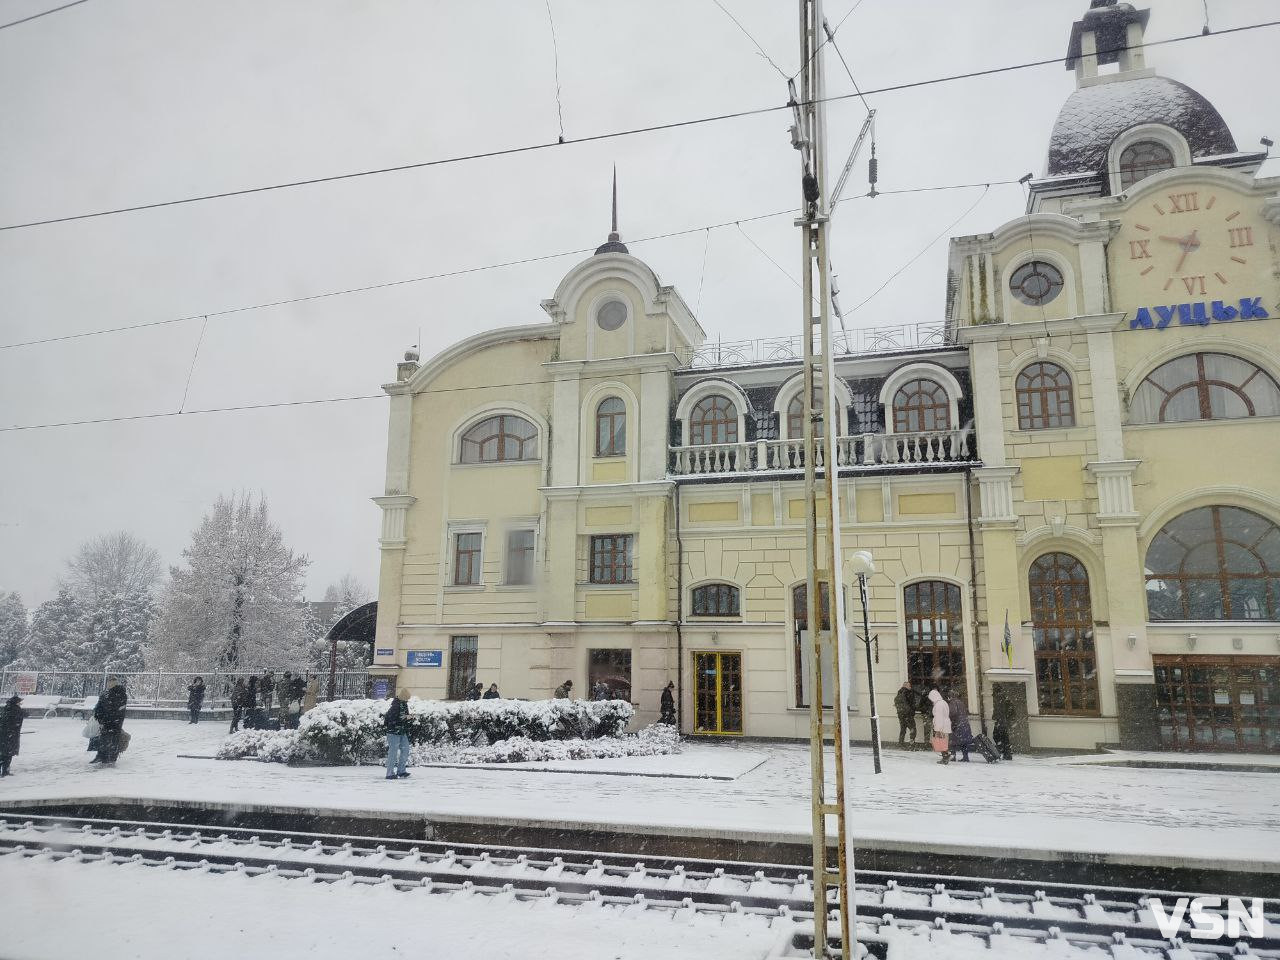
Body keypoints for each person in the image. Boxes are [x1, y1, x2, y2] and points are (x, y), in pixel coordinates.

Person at [92, 678, 128, 765]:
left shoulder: (120, 693)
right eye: (108, 682)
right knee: (103, 737)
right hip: (104, 719)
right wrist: (97, 713)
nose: (109, 684)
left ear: (115, 683)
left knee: (113, 738)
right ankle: (101, 755)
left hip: (115, 720)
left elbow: (119, 707)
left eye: (111, 682)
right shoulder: (105, 693)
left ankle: (111, 757)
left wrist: (110, 715)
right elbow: (100, 704)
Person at [383, 688, 412, 780]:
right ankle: (389, 773)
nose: (407, 700)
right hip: (393, 732)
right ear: (403, 697)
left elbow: (403, 717)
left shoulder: (404, 704)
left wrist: (408, 718)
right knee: (393, 752)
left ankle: (401, 770)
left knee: (406, 749)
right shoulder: (395, 706)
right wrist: (403, 719)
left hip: (402, 731)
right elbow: (390, 719)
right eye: (406, 698)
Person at [0, 694, 24, 776]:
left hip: (4, 735)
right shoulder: (16, 710)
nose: (21, 704)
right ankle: (5, 771)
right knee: (8, 754)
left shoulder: (6, 708)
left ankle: (4, 771)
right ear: (16, 702)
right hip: (11, 735)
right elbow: (17, 721)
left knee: (3, 754)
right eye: (20, 702)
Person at [947, 690, 973, 762]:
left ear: (950, 696)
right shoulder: (961, 702)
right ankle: (965, 757)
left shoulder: (952, 702)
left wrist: (948, 717)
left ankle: (953, 756)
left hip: (957, 724)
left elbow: (953, 713)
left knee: (952, 740)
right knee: (964, 741)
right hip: (964, 723)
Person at [927, 688, 951, 765]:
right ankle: (946, 755)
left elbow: (939, 718)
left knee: (941, 742)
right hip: (945, 725)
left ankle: (945, 757)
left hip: (941, 726)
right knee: (943, 742)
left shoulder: (938, 705)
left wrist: (938, 729)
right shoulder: (943, 702)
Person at [893, 680, 917, 747]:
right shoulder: (909, 693)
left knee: (903, 730)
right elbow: (912, 704)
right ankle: (912, 745)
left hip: (901, 715)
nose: (910, 687)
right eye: (909, 686)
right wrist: (913, 711)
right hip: (908, 715)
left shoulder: (899, 693)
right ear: (906, 686)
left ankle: (901, 743)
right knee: (913, 729)